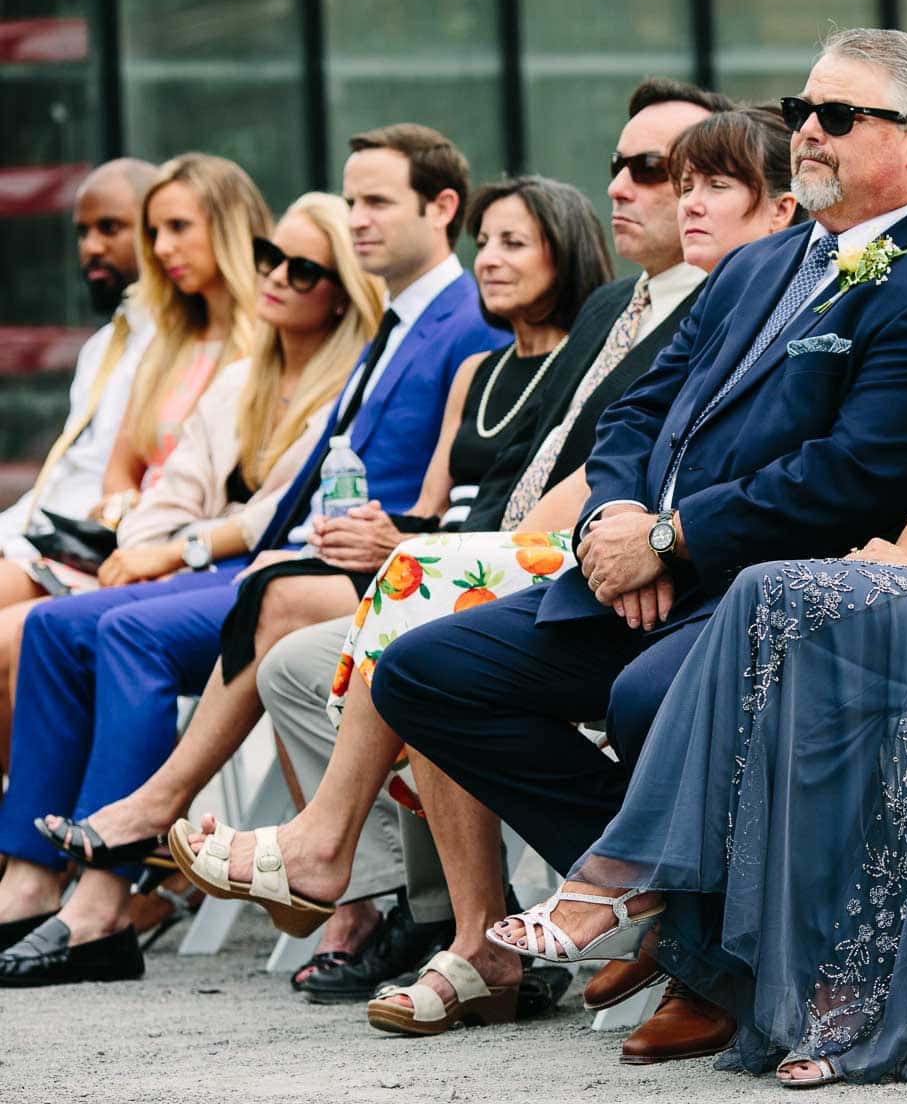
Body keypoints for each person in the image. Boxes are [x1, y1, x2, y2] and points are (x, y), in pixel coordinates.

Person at [170, 28, 907, 1052]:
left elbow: (854, 477)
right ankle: (680, 912)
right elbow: (635, 411)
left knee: (641, 695)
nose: (808, 134)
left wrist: (674, 539)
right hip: (639, 575)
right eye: (801, 112)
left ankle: (669, 925)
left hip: (778, 594)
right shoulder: (762, 263)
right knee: (424, 671)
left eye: (838, 116)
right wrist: (618, 521)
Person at [473, 47, 907, 1088]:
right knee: (805, 624)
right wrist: (896, 562)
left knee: (778, 591)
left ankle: (627, 882)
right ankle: (822, 991)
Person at [141, 85, 732, 1007]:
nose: (627, 185)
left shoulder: (725, 292)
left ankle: (346, 862)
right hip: (559, 543)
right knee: (337, 626)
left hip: (626, 558)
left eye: (660, 171)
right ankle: (435, 914)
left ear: (766, 198)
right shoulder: (620, 303)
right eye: (623, 165)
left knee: (398, 593)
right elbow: (612, 447)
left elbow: (639, 466)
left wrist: (621, 535)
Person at [0, 190, 383, 986]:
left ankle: (106, 899)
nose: (274, 275)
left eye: (302, 268)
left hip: (274, 572)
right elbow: (169, 493)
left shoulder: (356, 375)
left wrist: (190, 540)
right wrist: (162, 544)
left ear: (342, 285)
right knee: (52, 626)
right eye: (271, 256)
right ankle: (30, 879)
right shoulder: (245, 376)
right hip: (210, 570)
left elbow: (280, 514)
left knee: (123, 634)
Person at [0, 159, 158, 766]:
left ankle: (42, 833)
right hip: (50, 538)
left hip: (104, 550)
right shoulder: (104, 345)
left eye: (110, 228)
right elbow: (65, 472)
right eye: (82, 231)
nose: (91, 247)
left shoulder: (182, 345)